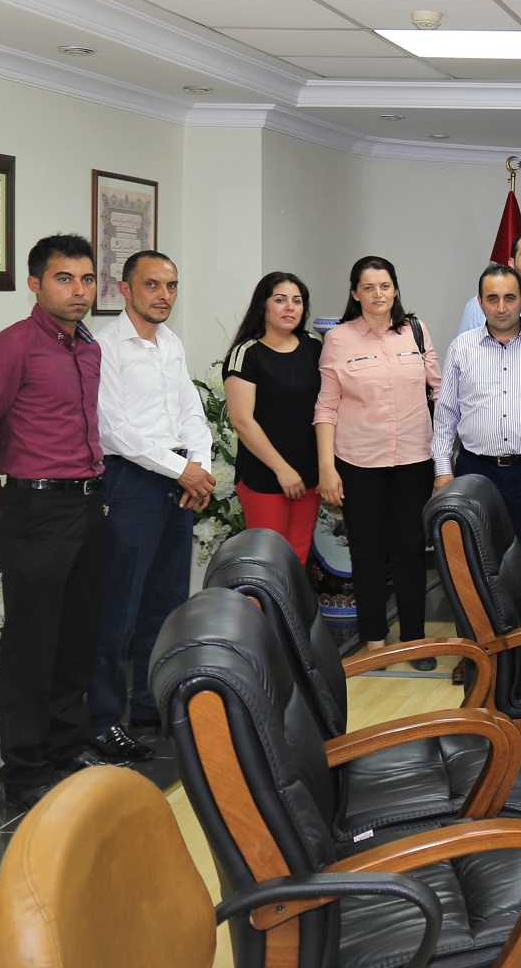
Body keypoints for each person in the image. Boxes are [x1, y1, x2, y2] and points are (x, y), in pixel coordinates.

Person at [0, 235, 110, 809]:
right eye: (63, 278)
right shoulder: (9, 349)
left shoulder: (88, 348)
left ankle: (65, 747)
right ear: (34, 283)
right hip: (33, 511)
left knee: (77, 638)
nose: (78, 290)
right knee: (32, 645)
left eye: (86, 279)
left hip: (88, 506)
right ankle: (25, 771)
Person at [89, 250, 214, 760]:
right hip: (131, 483)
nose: (164, 296)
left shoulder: (171, 343)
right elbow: (113, 429)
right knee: (119, 607)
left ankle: (150, 706)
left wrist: (199, 467)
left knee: (166, 605)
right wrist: (180, 469)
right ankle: (102, 721)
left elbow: (191, 412)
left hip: (176, 480)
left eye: (172, 286)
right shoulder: (104, 347)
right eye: (152, 285)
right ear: (125, 289)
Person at [315, 255, 440, 657]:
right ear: (355, 293)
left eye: (384, 286)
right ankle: (374, 642)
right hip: (359, 463)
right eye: (368, 287)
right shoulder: (339, 339)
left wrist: (444, 461)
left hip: (413, 461)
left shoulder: (416, 331)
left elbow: (439, 392)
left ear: (395, 290)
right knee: (367, 553)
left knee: (410, 550)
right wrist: (327, 468)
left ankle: (414, 640)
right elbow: (326, 408)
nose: (377, 294)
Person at [432, 264, 521, 612]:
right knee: (475, 565)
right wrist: (443, 471)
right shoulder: (462, 347)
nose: (502, 307)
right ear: (480, 302)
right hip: (476, 473)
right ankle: (482, 643)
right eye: (493, 299)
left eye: (510, 298)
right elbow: (445, 416)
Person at [224, 271, 322, 565]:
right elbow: (242, 420)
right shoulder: (247, 354)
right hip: (265, 476)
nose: (290, 307)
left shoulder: (314, 346)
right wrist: (282, 470)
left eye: (297, 301)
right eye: (280, 300)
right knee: (268, 564)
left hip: (309, 474)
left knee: (296, 561)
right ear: (263, 305)